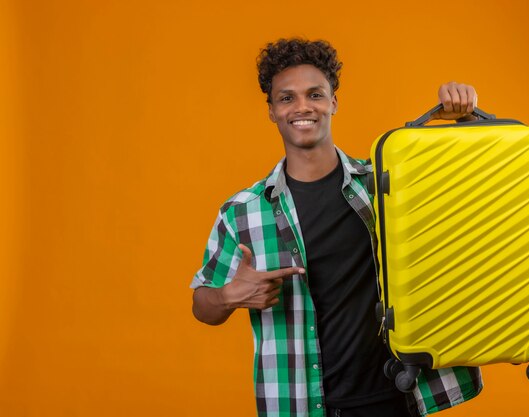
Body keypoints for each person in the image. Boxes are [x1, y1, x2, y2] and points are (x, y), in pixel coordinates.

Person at [190, 38, 482, 417]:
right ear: (272, 112)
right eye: (286, 98)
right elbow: (202, 304)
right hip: (302, 404)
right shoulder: (242, 213)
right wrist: (230, 296)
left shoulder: (384, 187)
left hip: (396, 398)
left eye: (315, 94)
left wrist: (465, 121)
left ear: (333, 102)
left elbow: (465, 194)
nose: (302, 107)